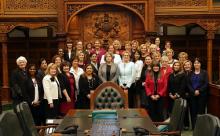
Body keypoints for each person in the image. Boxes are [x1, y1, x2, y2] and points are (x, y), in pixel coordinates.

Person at [187, 58, 209, 129]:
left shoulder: (204, 73)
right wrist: (193, 91)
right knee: (193, 111)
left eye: (198, 63)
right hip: (192, 95)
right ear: (193, 64)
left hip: (202, 95)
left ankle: (201, 128)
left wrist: (199, 90)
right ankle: (194, 127)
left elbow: (206, 84)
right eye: (195, 63)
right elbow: (188, 84)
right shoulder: (190, 73)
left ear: (200, 64)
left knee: (201, 112)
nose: (196, 64)